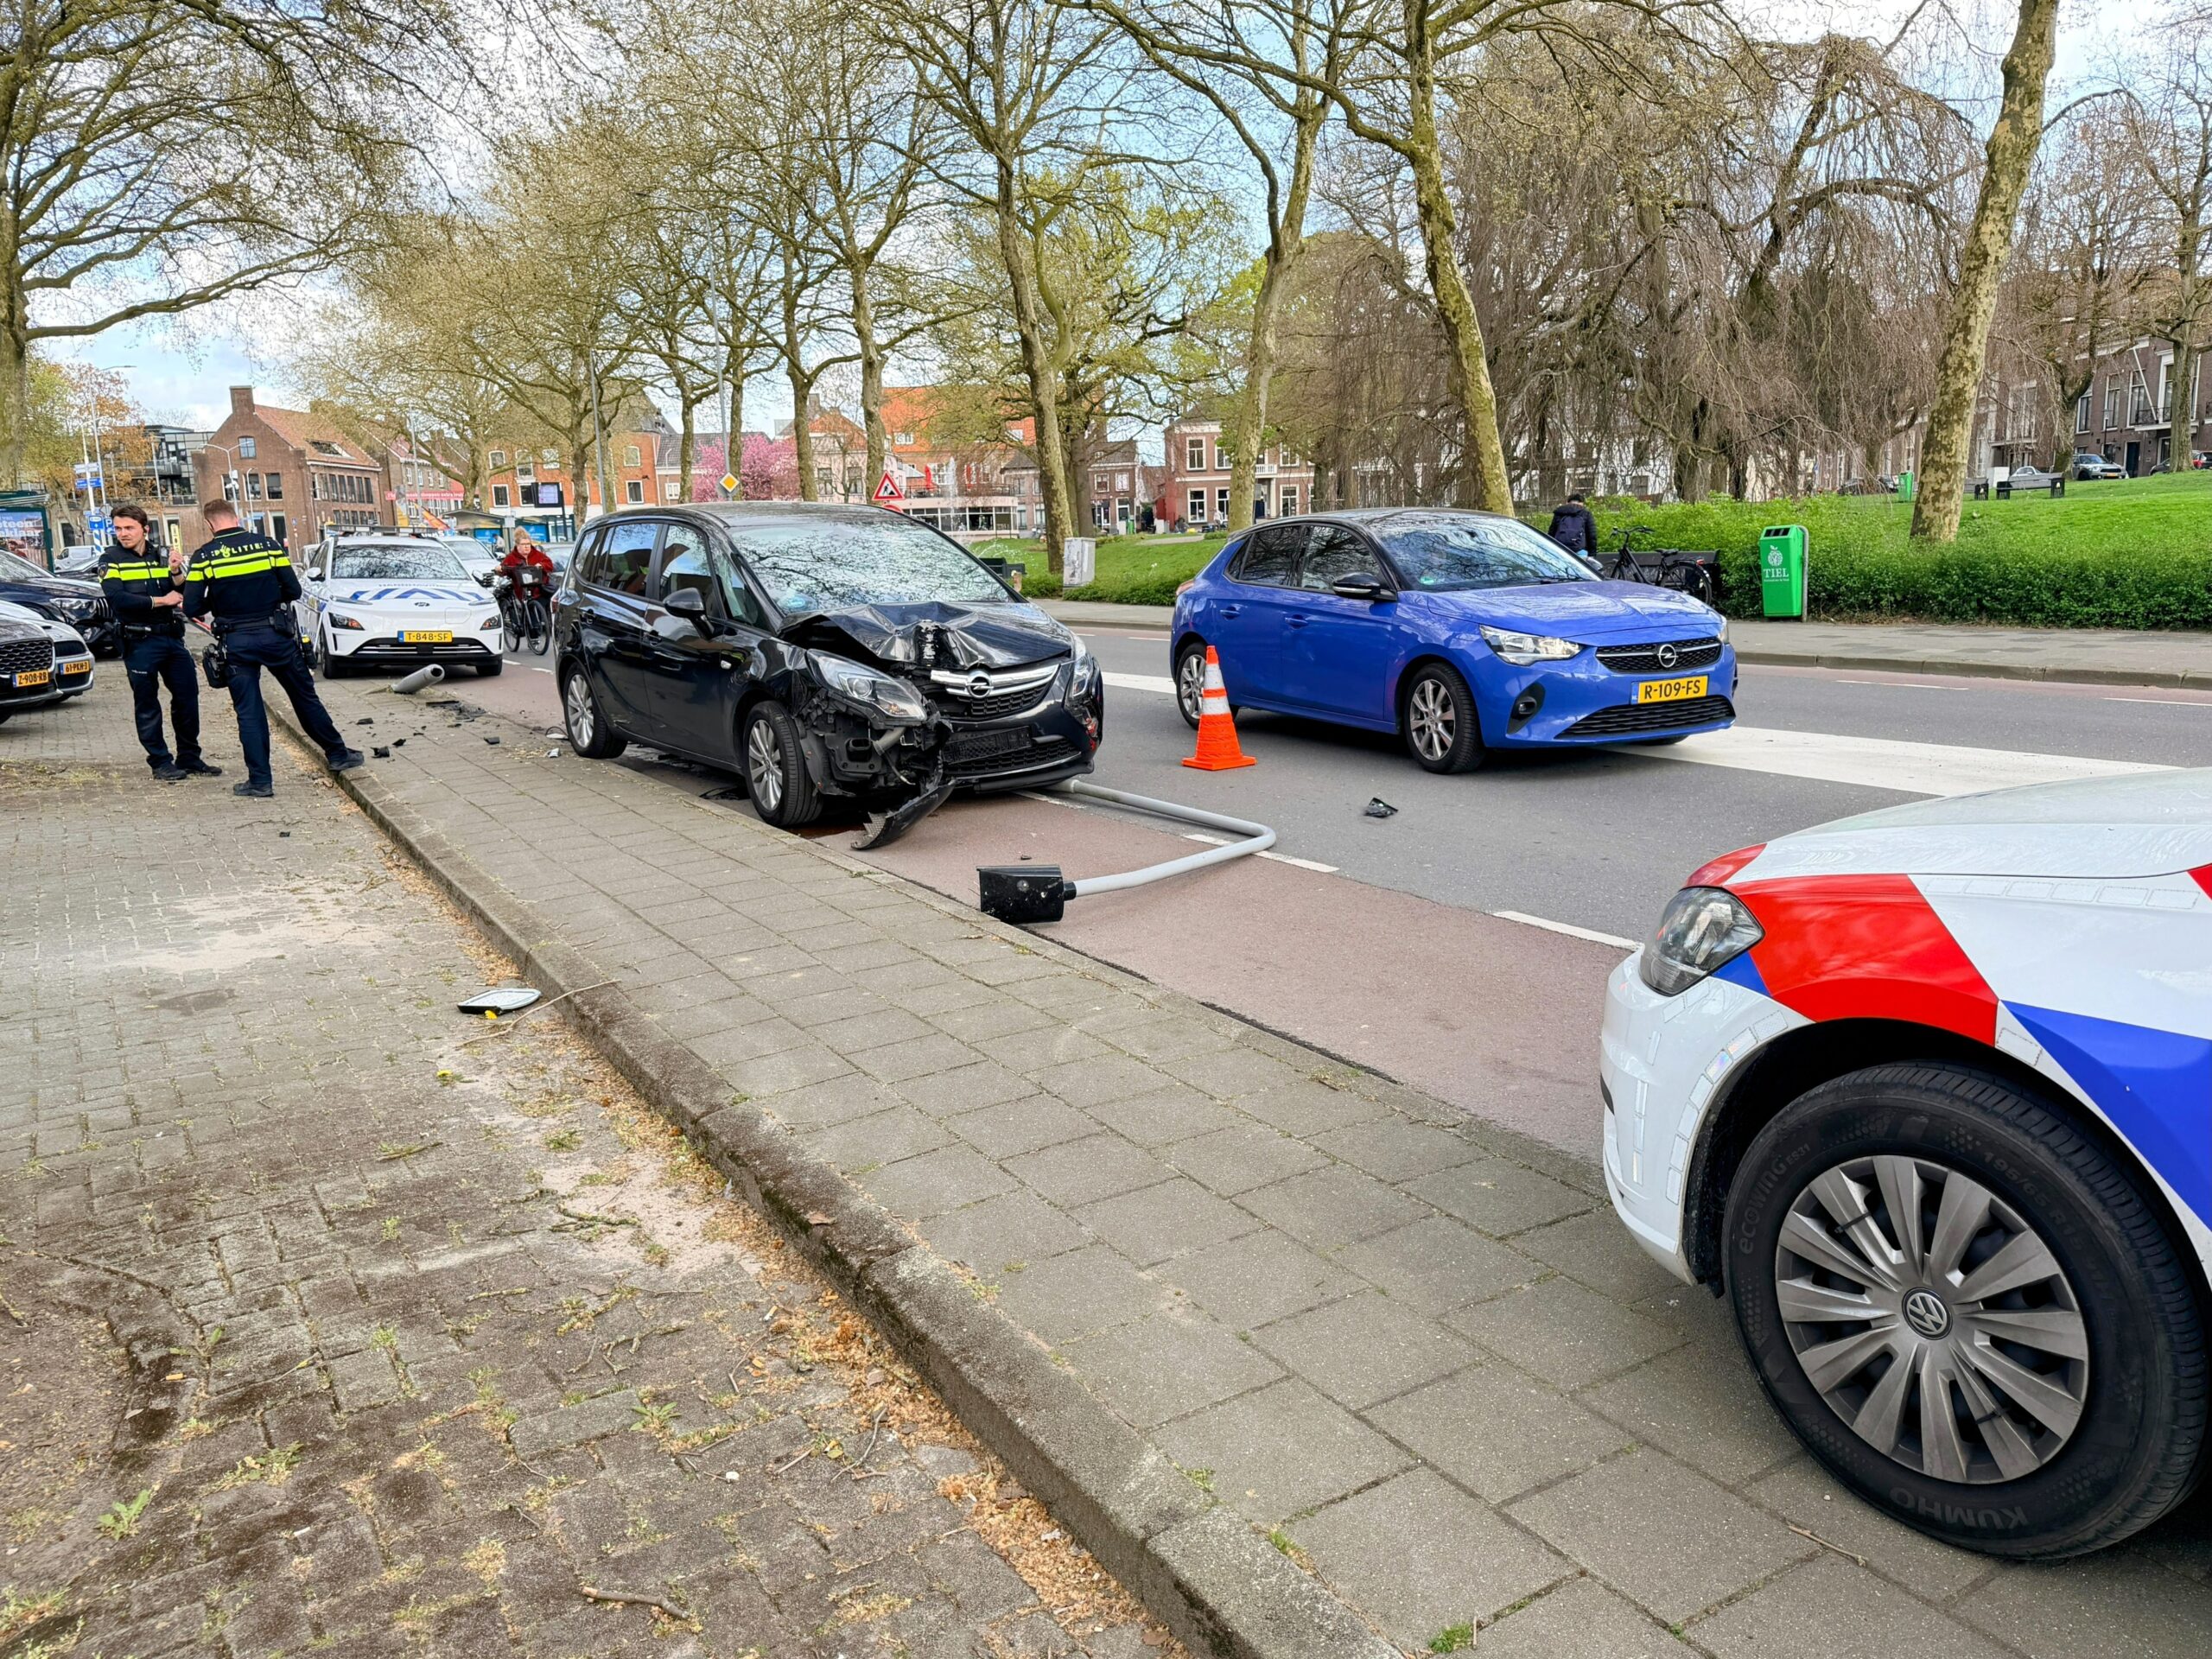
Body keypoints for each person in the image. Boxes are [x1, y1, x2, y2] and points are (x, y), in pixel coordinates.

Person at [183, 500, 363, 799]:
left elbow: (191, 607)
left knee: (249, 712)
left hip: (236, 642)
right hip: (276, 636)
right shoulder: (268, 546)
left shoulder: (204, 556)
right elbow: (293, 590)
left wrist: (218, 601)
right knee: (304, 697)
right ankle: (337, 754)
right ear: (236, 518)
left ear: (209, 524)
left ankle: (260, 782)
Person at [100, 505, 220, 781]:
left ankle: (189, 757)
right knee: (147, 703)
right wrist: (160, 601)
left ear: (145, 529)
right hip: (138, 640)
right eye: (118, 528)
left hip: (171, 637)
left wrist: (176, 571)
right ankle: (160, 762)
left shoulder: (162, 555)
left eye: (129, 528)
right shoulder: (111, 559)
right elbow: (117, 598)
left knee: (187, 697)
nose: (123, 534)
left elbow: (183, 591)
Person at [1548, 493, 1597, 558]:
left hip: (1560, 550)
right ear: (1582, 503)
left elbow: (1551, 533)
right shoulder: (1586, 513)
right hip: (1580, 550)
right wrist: (1592, 554)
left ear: (1568, 502)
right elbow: (1592, 535)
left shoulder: (1559, 512)